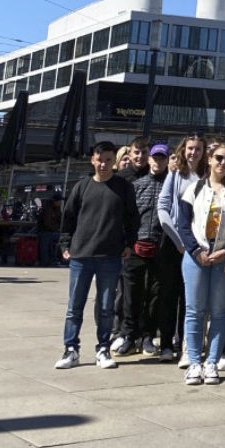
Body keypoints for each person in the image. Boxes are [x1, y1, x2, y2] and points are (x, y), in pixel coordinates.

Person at [56, 141, 140, 370]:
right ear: (92, 160)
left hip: (110, 255)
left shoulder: (123, 187)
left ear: (114, 161)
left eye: (108, 160)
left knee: (105, 307)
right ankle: (71, 349)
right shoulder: (81, 187)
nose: (103, 164)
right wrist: (65, 244)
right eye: (99, 159)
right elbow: (68, 219)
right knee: (75, 306)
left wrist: (129, 243)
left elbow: (133, 218)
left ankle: (103, 348)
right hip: (81, 254)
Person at [177, 138, 225, 385]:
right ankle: (194, 361)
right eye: (219, 158)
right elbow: (183, 225)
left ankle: (212, 362)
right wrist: (196, 251)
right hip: (196, 256)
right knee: (194, 311)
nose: (223, 163)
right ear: (209, 159)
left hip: (223, 257)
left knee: (219, 312)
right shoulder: (194, 189)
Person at [115, 140, 170, 356]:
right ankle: (129, 334)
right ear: (149, 159)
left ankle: (148, 334)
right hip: (136, 245)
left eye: (161, 158)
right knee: (131, 293)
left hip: (160, 246)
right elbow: (126, 216)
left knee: (154, 293)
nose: (157, 161)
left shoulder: (170, 184)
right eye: (154, 158)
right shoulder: (136, 185)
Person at [157, 134, 206, 363]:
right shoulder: (175, 174)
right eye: (189, 148)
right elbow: (163, 208)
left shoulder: (207, 176)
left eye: (198, 149)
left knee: (191, 299)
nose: (193, 153)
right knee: (168, 295)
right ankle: (166, 344)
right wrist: (178, 242)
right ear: (183, 150)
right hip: (173, 244)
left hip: (197, 245)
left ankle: (186, 344)